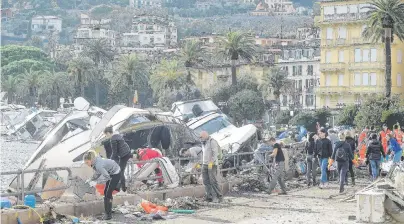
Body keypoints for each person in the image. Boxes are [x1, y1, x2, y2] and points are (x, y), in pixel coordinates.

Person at [84, 150, 120, 220]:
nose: (87, 164)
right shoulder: (95, 161)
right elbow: (98, 173)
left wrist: (96, 183)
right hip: (112, 172)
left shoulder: (98, 165)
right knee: (107, 193)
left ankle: (108, 215)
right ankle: (109, 210)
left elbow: (106, 177)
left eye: (87, 162)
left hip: (115, 173)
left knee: (107, 194)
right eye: (85, 163)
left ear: (91, 160)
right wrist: (91, 179)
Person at [103, 126, 132, 192]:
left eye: (106, 135)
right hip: (127, 152)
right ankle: (119, 187)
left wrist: (110, 160)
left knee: (120, 172)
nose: (106, 136)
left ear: (108, 133)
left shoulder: (113, 139)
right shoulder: (117, 135)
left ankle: (123, 189)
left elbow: (114, 152)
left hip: (124, 155)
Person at [200, 131, 223, 203]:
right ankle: (209, 196)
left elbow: (215, 153)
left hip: (212, 165)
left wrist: (211, 162)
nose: (200, 139)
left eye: (201, 137)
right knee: (206, 181)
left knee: (213, 181)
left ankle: (218, 196)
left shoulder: (212, 142)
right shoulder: (204, 143)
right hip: (205, 164)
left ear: (205, 136)